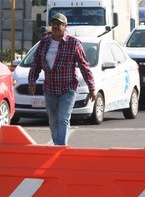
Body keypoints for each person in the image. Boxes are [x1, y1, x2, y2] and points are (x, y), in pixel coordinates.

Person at [28, 13, 97, 145]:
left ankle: (60, 148)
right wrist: (32, 81)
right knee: (53, 121)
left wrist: (92, 87)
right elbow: (36, 63)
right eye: (53, 23)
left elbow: (84, 66)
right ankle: (57, 146)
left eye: (59, 24)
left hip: (67, 88)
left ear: (65, 26)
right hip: (50, 89)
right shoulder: (44, 42)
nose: (55, 26)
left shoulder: (73, 43)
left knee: (63, 119)